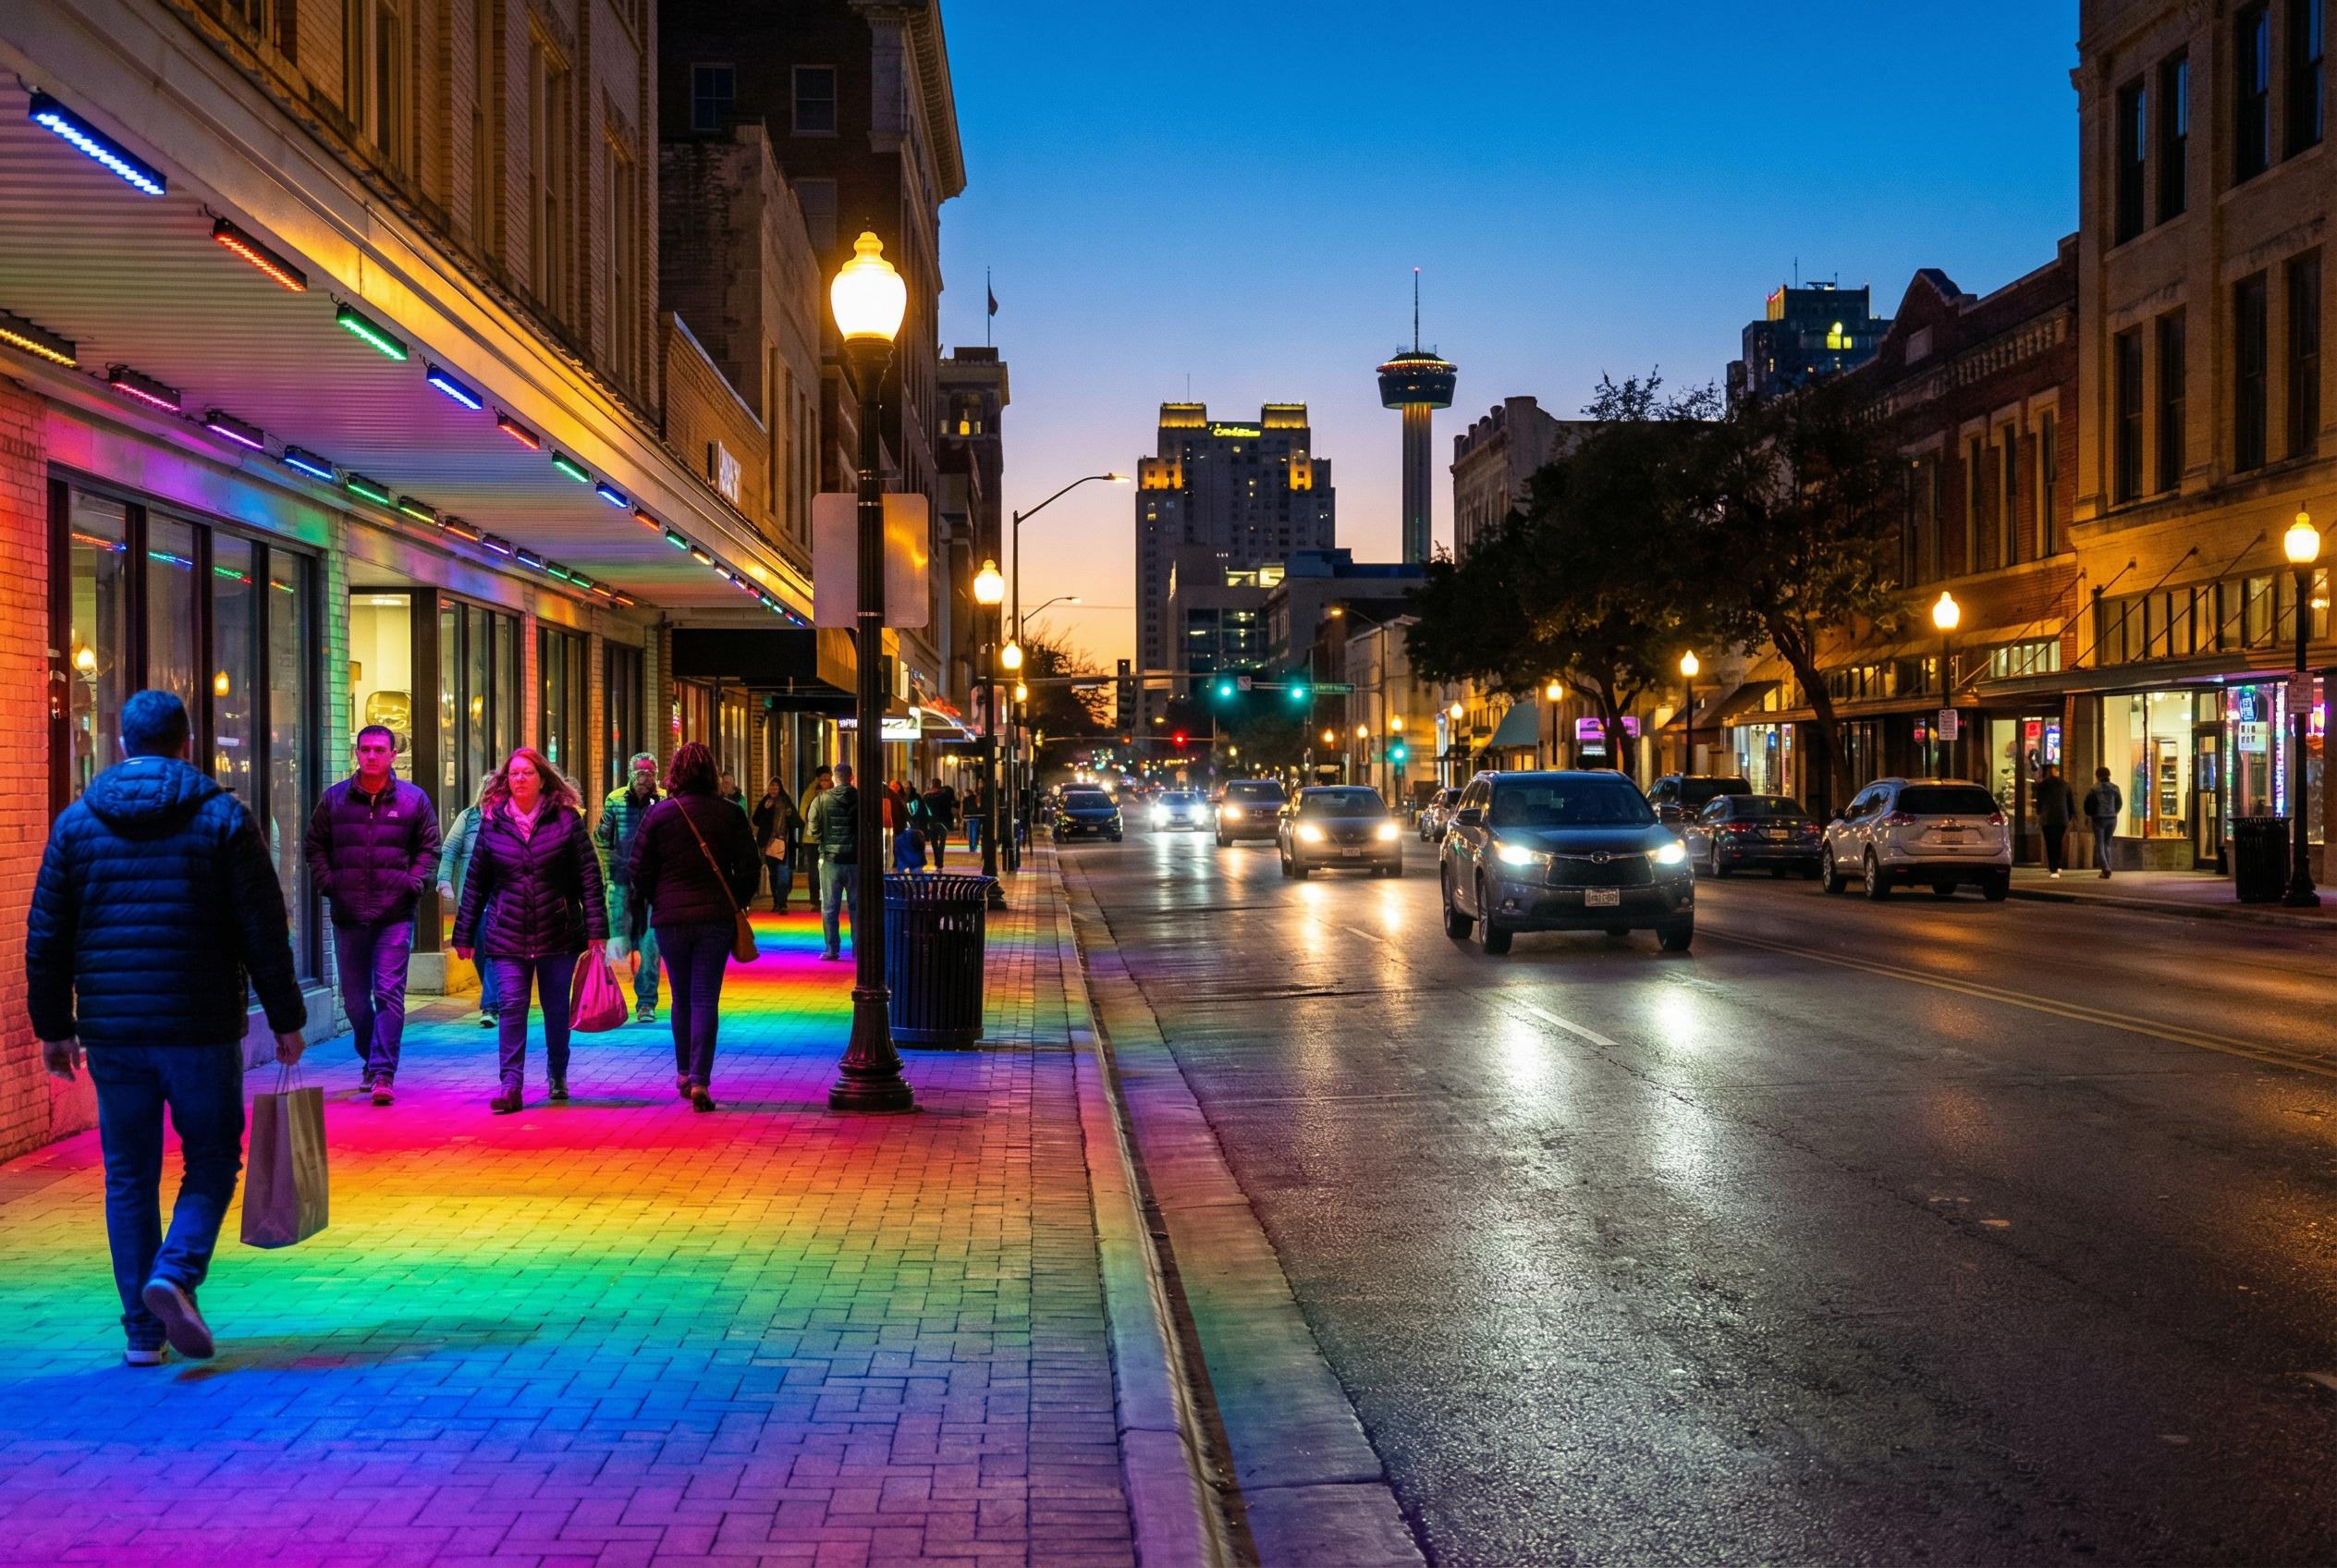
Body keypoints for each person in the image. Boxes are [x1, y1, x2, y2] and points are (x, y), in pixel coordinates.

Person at [29, 690, 307, 1366]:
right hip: (199, 1025)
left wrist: (54, 1026)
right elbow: (262, 928)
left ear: (122, 744)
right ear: (187, 743)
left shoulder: (75, 825)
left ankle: (142, 1334)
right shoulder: (222, 818)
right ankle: (175, 1273)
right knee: (211, 1158)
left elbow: (47, 936)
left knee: (128, 1174)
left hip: (114, 1030)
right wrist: (286, 1016)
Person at [454, 749, 608, 1113]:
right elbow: (476, 881)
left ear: (542, 779)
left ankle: (557, 1073)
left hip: (559, 930)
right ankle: (511, 1084)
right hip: (508, 932)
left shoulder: (566, 821)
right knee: (511, 1006)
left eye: (526, 773)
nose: (519, 779)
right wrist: (463, 933)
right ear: (505, 782)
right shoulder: (494, 823)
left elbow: (590, 876)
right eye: (513, 774)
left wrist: (596, 929)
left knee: (556, 1008)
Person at [303, 723, 439, 1107]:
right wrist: (329, 884)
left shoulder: (413, 800)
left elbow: (429, 848)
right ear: (357, 754)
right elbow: (315, 846)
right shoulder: (334, 800)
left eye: (380, 749)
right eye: (365, 749)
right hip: (348, 915)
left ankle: (382, 1072)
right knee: (355, 1001)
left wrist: (412, 884)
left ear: (393, 755)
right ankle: (372, 1057)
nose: (372, 756)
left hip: (394, 915)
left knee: (389, 993)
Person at [627, 742, 762, 1110]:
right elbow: (751, 866)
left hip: (671, 919)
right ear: (712, 774)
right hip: (715, 918)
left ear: (674, 774)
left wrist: (658, 897)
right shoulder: (730, 814)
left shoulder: (659, 815)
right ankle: (701, 1080)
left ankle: (684, 1072)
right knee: (705, 998)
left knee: (681, 997)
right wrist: (736, 899)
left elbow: (637, 869)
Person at [594, 753, 663, 1024]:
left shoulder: (664, 802)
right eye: (641, 775)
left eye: (651, 774)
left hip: (653, 885)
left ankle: (646, 1001)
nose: (647, 780)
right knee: (616, 943)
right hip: (622, 879)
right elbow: (601, 837)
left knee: (650, 945)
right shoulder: (615, 800)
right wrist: (610, 867)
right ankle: (608, 997)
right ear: (631, 776)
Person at [435, 782, 500, 1027]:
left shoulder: (508, 818)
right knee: (481, 950)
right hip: (472, 896)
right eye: (488, 790)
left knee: (494, 948)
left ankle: (490, 1006)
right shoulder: (469, 818)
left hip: (501, 897)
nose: (492, 795)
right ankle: (495, 996)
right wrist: (444, 881)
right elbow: (450, 849)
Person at [806, 763, 861, 960]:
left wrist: (823, 840)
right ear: (851, 778)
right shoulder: (861, 799)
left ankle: (831, 949)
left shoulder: (821, 800)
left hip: (830, 860)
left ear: (835, 779)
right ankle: (858, 948)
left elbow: (812, 826)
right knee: (857, 907)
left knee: (829, 907)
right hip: (855, 860)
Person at [751, 778, 800, 910]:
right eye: (771, 787)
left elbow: (797, 822)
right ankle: (776, 901)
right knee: (773, 873)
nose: (773, 790)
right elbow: (755, 820)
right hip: (769, 843)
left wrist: (789, 814)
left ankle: (782, 903)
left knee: (783, 873)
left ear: (780, 789)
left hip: (784, 843)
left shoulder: (786, 801)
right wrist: (765, 809)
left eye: (776, 788)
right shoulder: (765, 802)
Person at [2035, 765, 2076, 880]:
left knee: (2050, 843)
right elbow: (2071, 803)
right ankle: (2056, 865)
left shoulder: (2043, 785)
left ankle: (2053, 867)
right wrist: (2072, 817)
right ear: (2057, 772)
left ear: (2048, 772)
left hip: (2047, 818)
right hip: (2062, 818)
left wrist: (2038, 814)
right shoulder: (2066, 785)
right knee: (2057, 842)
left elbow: (2039, 803)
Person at [801, 766, 834, 910]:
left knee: (826, 870)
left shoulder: (832, 793)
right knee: (816, 870)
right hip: (813, 839)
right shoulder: (811, 793)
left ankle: (824, 898)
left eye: (827, 779)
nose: (825, 782)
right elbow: (803, 812)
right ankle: (816, 900)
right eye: (822, 779)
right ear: (818, 780)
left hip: (825, 839)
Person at [2083, 766, 2123, 879]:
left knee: (2099, 844)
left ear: (2097, 776)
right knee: (2107, 844)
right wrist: (2114, 812)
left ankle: (2105, 868)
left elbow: (2088, 804)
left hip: (2099, 818)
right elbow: (2119, 803)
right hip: (2112, 818)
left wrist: (2089, 814)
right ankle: (2107, 867)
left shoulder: (2094, 789)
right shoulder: (2115, 788)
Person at [923, 778, 960, 869]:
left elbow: (925, 809)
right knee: (942, 842)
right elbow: (954, 804)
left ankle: (937, 860)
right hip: (944, 821)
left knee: (934, 842)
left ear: (932, 784)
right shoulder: (946, 793)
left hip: (932, 821)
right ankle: (940, 861)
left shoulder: (927, 796)